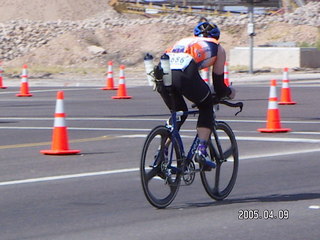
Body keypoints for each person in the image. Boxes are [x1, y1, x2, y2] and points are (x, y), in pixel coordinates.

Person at [156, 20, 235, 169]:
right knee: (206, 106)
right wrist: (229, 92)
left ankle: (162, 152)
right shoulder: (217, 48)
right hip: (184, 73)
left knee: (178, 113)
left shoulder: (183, 41)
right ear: (216, 37)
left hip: (161, 71)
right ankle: (202, 151)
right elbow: (218, 84)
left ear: (195, 34)